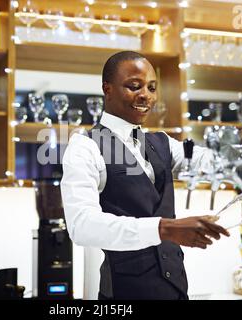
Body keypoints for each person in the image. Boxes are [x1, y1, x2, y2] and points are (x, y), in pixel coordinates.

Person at [60, 51, 230, 300]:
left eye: (151, 88)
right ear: (107, 89)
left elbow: (207, 161)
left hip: (176, 290)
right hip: (122, 294)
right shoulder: (85, 145)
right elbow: (82, 226)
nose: (145, 96)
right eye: (134, 86)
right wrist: (164, 229)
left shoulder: (163, 143)